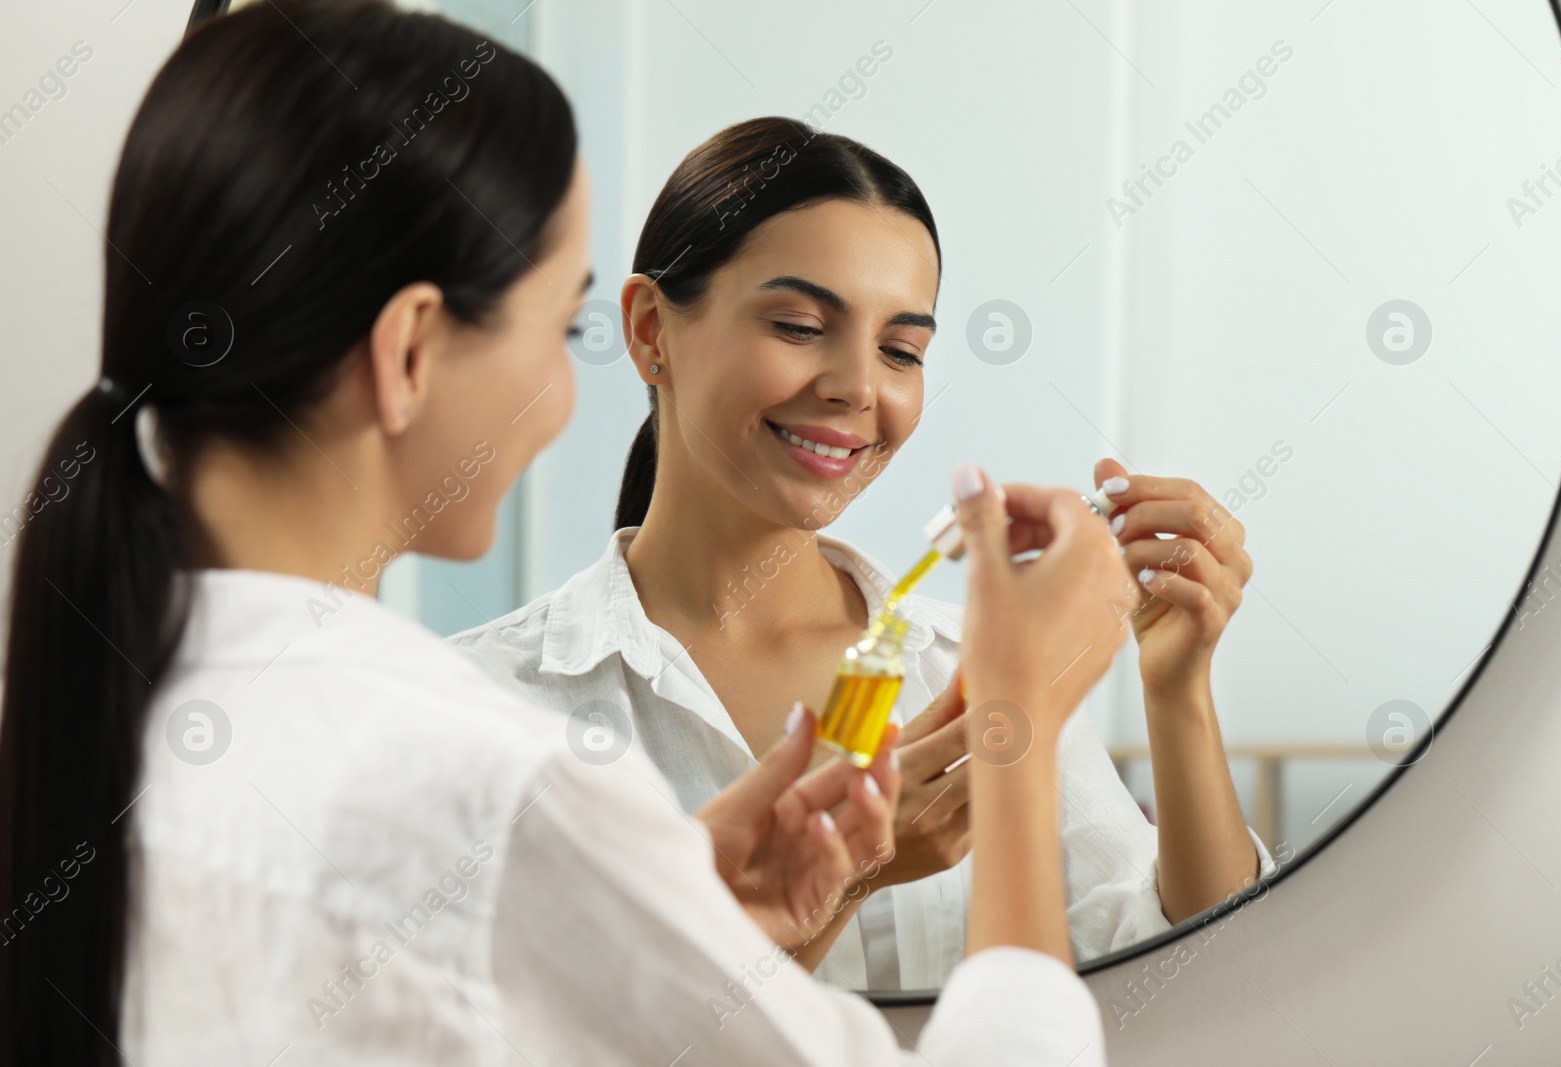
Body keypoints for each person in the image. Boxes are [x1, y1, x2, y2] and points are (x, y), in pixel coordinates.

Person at [0, 3, 1128, 1063]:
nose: (562, 390)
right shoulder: (484, 773)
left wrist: (673, 901)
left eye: (902, 346)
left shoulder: (144, 701)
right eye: (556, 322)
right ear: (410, 353)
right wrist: (1019, 725)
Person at [451, 117, 1280, 991]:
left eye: (900, 350)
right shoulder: (482, 704)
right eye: (801, 325)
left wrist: (1178, 690)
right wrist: (851, 872)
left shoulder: (976, 674)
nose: (856, 386)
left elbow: (1199, 980)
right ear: (653, 329)